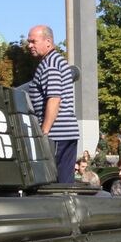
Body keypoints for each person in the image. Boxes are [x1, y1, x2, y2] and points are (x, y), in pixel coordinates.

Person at [25, 25, 79, 183]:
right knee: (64, 183)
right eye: (29, 42)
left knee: (53, 184)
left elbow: (54, 98)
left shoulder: (50, 65)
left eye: (33, 41)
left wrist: (44, 133)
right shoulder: (56, 61)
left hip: (56, 135)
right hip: (65, 132)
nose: (29, 45)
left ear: (48, 42)